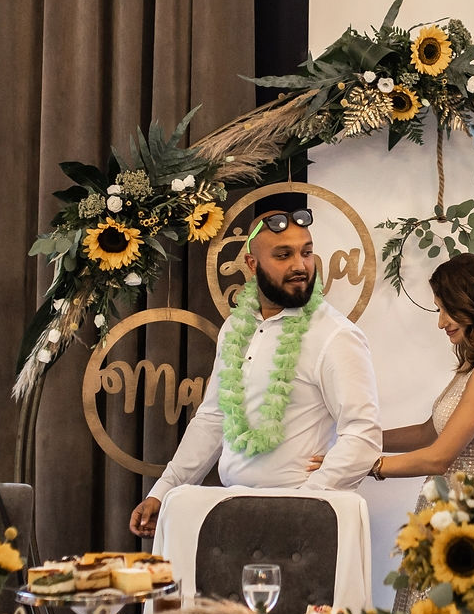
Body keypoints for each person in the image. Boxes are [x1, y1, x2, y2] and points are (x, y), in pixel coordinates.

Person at [128, 208, 382, 537]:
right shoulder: (236, 329)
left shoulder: (335, 335)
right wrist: (163, 491)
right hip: (233, 513)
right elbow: (213, 419)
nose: (300, 265)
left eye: (306, 252)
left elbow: (362, 435)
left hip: (302, 521)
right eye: (283, 255)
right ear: (251, 264)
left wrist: (305, 503)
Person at [339, 255, 474, 613]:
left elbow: (439, 458)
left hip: (469, 519)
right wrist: (360, 437)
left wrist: (365, 465)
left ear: (472, 304)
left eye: (446, 310)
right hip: (445, 510)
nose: (440, 322)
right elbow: (429, 431)